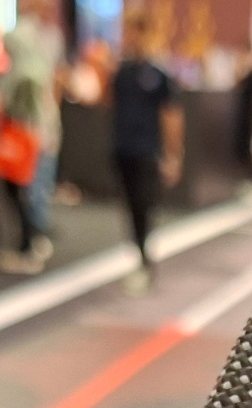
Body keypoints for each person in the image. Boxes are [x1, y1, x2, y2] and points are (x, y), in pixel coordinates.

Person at [0, 0, 62, 275]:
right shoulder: (32, 68)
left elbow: (17, 107)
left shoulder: (26, 74)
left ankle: (30, 245)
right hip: (38, 136)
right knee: (31, 192)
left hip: (26, 139)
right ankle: (32, 242)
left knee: (27, 192)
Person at [110, 8, 180, 295]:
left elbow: (171, 115)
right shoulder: (122, 72)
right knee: (129, 207)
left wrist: (173, 155)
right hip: (123, 149)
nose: (127, 38)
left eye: (131, 32)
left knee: (144, 207)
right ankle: (139, 258)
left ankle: (145, 262)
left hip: (147, 151)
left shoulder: (158, 74)